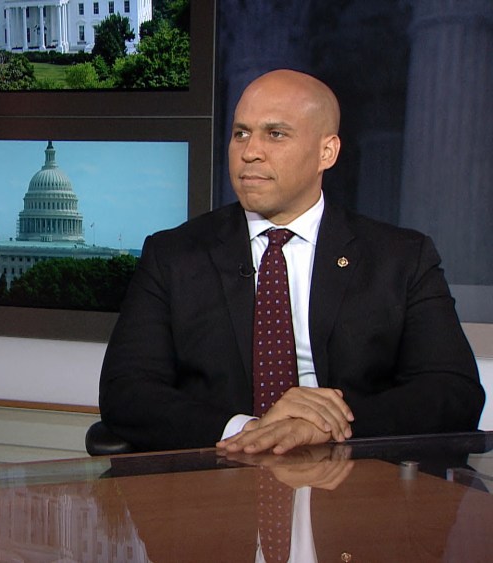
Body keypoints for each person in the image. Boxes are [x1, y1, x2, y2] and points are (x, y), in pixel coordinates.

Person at [99, 69, 484, 455]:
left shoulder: (400, 258)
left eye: (275, 134)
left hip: (352, 475)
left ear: (326, 152)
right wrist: (250, 431)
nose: (250, 152)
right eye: (241, 133)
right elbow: (126, 391)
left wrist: (327, 427)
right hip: (221, 473)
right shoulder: (173, 256)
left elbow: (454, 391)